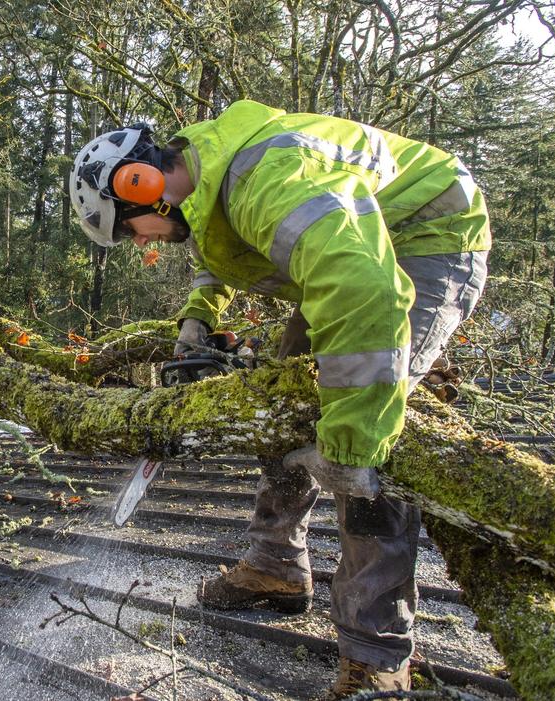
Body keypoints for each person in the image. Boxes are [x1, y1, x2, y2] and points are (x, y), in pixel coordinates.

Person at [70, 100, 489, 697]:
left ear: (142, 187)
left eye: (130, 228)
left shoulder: (261, 176)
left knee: (372, 431)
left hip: (426, 233)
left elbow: (360, 287)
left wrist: (349, 442)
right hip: (356, 251)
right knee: (283, 398)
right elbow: (222, 252)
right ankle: (276, 565)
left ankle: (376, 655)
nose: (141, 243)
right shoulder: (206, 177)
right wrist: (198, 320)